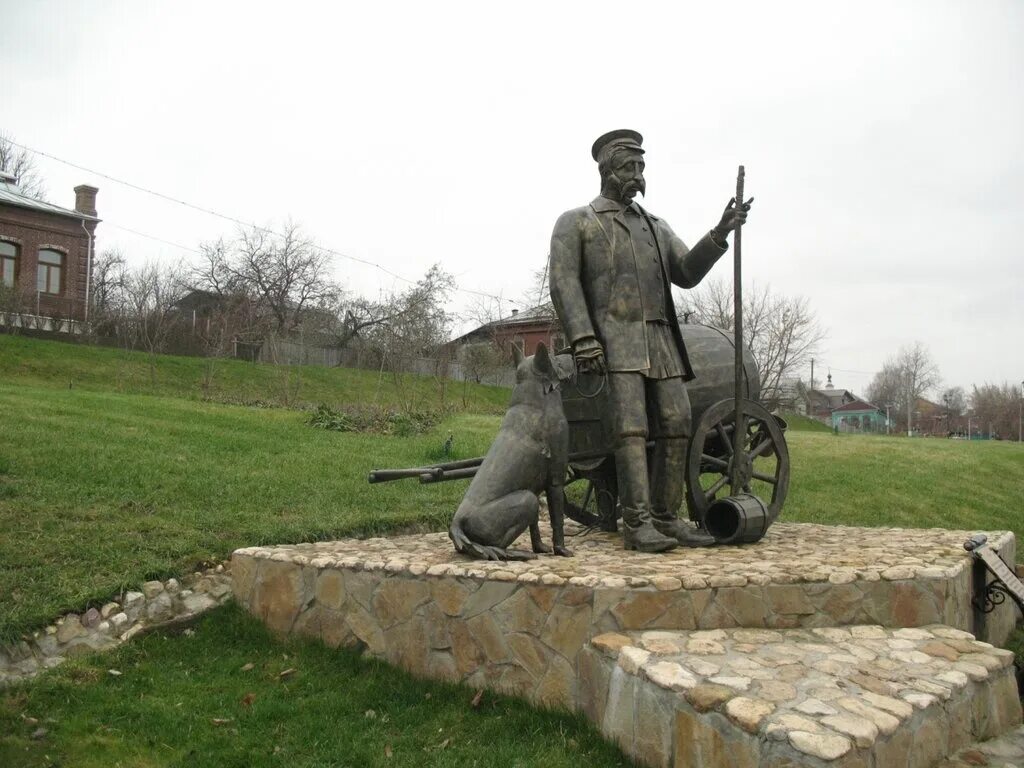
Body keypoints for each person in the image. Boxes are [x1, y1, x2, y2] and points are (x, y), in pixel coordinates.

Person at [548, 129, 750, 552]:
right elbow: (564, 283)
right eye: (628, 166)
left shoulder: (656, 227)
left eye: (641, 166)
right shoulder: (577, 222)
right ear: (607, 171)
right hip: (615, 341)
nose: (637, 174)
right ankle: (636, 522)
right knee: (631, 429)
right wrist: (583, 339)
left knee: (676, 423)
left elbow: (687, 273)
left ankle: (665, 516)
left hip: (660, 340)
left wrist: (718, 234)